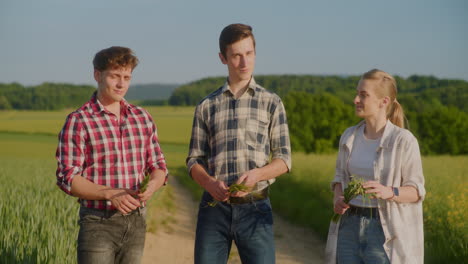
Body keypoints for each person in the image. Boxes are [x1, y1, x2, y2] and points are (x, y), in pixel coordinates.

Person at [186, 23, 292, 264]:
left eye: (249, 53)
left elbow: (284, 159)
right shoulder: (206, 105)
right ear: (222, 58)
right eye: (236, 56)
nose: (244, 62)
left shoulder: (271, 102)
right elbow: (194, 160)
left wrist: (258, 174)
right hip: (214, 210)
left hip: (256, 206)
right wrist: (210, 182)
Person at [55, 46, 168, 264]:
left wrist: (152, 186)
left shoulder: (142, 117)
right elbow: (67, 178)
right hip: (98, 222)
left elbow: (158, 165)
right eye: (115, 76)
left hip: (136, 221)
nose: (121, 84)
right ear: (97, 75)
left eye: (126, 77)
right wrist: (110, 193)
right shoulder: (79, 120)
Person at [325, 69, 425, 264]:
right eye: (357, 93)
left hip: (384, 229)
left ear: (384, 101)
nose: (355, 99)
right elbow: (339, 178)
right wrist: (338, 197)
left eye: (363, 95)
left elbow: (416, 191)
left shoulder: (403, 141)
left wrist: (388, 191)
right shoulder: (349, 136)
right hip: (349, 226)